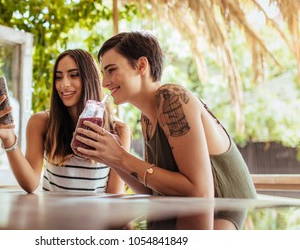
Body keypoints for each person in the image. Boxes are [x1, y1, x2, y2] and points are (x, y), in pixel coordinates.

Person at [74, 31, 257, 229]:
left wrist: (121, 157)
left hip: (233, 215)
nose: (104, 82)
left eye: (111, 70)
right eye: (103, 73)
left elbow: (199, 192)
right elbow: (152, 189)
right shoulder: (147, 117)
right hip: (194, 216)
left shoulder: (171, 98)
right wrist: (111, 158)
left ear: (141, 66)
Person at [0, 49, 130, 194]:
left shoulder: (118, 130)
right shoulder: (41, 122)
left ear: (91, 79)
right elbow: (30, 184)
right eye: (58, 77)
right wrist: (8, 139)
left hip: (96, 216)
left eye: (74, 75)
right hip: (51, 216)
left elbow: (114, 196)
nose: (64, 84)